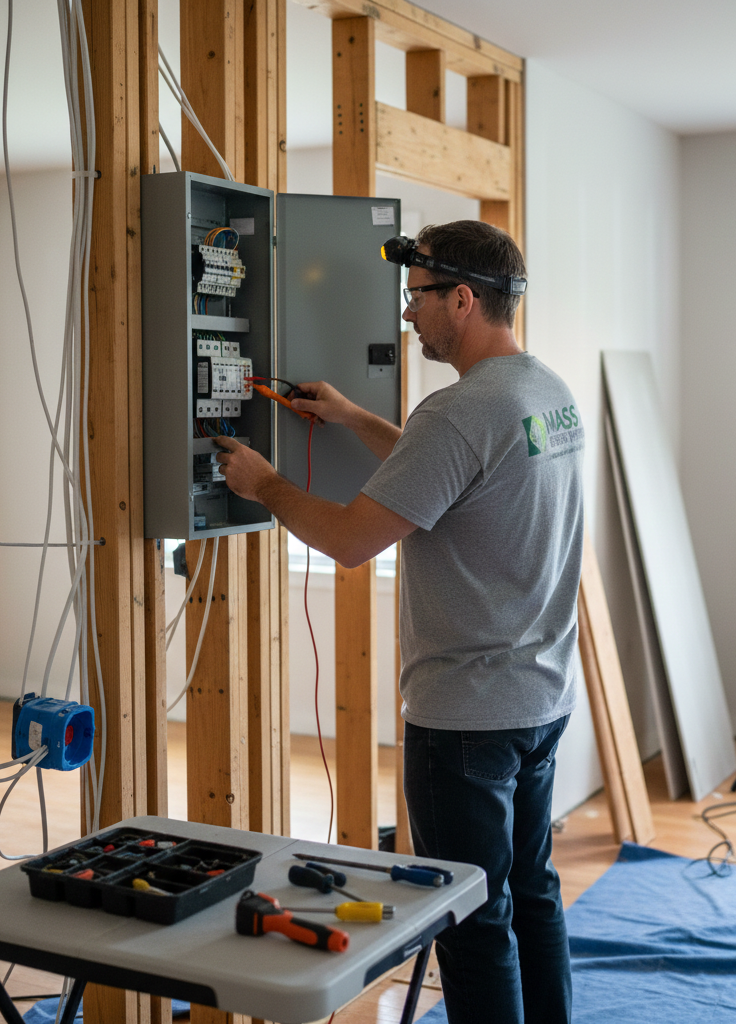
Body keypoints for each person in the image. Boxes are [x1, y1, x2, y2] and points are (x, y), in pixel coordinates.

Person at [216, 219, 583, 1024]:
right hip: (543, 697)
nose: (407, 314)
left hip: (466, 720)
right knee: (532, 891)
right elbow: (452, 471)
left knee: (473, 920)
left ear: (462, 297)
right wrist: (351, 417)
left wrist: (266, 484)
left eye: (418, 298)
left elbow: (351, 541)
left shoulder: (457, 412)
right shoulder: (543, 391)